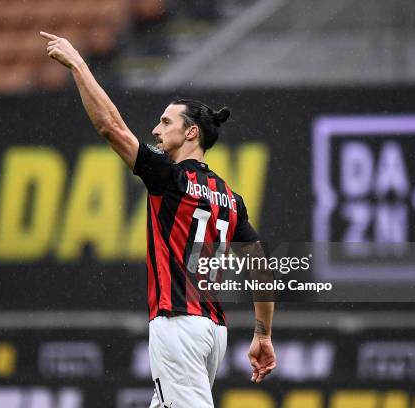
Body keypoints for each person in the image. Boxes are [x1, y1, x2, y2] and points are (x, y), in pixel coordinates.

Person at [40, 31, 276, 407]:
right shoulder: (231, 199)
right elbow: (262, 271)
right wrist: (263, 333)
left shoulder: (171, 179)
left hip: (178, 323)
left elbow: (110, 127)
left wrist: (79, 66)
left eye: (166, 122)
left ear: (191, 133)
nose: (155, 130)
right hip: (212, 331)